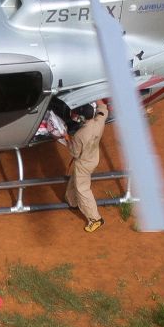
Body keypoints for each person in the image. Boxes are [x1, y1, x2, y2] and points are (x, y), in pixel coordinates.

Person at [65, 100, 109, 233]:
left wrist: (67, 138)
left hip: (83, 163)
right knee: (77, 180)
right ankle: (72, 200)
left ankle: (95, 219)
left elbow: (74, 152)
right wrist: (97, 98)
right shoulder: (99, 122)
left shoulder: (80, 135)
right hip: (93, 158)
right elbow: (103, 108)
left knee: (83, 189)